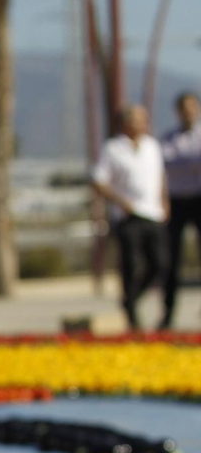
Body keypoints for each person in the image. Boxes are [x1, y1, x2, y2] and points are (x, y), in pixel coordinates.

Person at [93, 105, 169, 331]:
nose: (143, 124)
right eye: (137, 120)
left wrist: (165, 202)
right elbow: (99, 181)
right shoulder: (113, 148)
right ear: (125, 124)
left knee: (160, 264)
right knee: (131, 265)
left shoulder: (152, 146)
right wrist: (121, 202)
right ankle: (133, 317)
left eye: (144, 120)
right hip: (128, 216)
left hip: (154, 213)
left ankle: (131, 300)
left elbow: (160, 176)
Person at [161, 91, 201, 329]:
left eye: (191, 107)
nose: (187, 112)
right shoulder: (168, 138)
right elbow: (163, 167)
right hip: (176, 202)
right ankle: (168, 314)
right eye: (183, 108)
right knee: (171, 259)